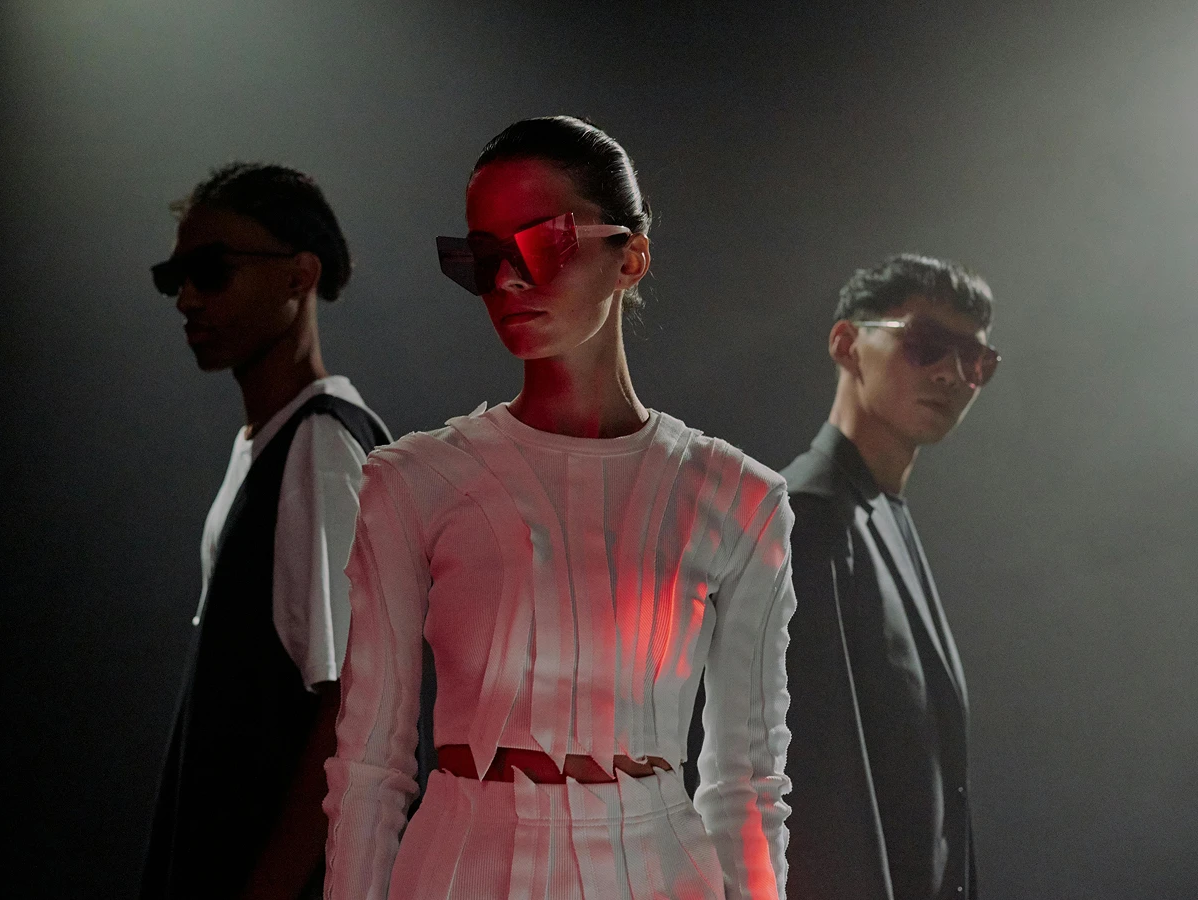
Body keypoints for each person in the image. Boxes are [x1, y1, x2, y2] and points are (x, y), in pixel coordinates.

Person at [323, 116, 795, 900]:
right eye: (482, 257)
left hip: (660, 876)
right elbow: (369, 767)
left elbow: (748, 780)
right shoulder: (412, 483)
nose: (508, 279)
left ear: (630, 258)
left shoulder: (738, 498)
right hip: (459, 871)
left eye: (543, 244)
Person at [141, 162, 391, 900]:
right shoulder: (273, 443)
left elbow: (352, 715)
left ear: (298, 275)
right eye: (176, 277)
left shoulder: (322, 446)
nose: (187, 297)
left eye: (212, 271)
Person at [782, 254, 999, 900]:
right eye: (925, 343)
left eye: (975, 359)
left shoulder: (877, 513)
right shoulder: (807, 520)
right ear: (846, 344)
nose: (951, 373)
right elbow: (818, 795)